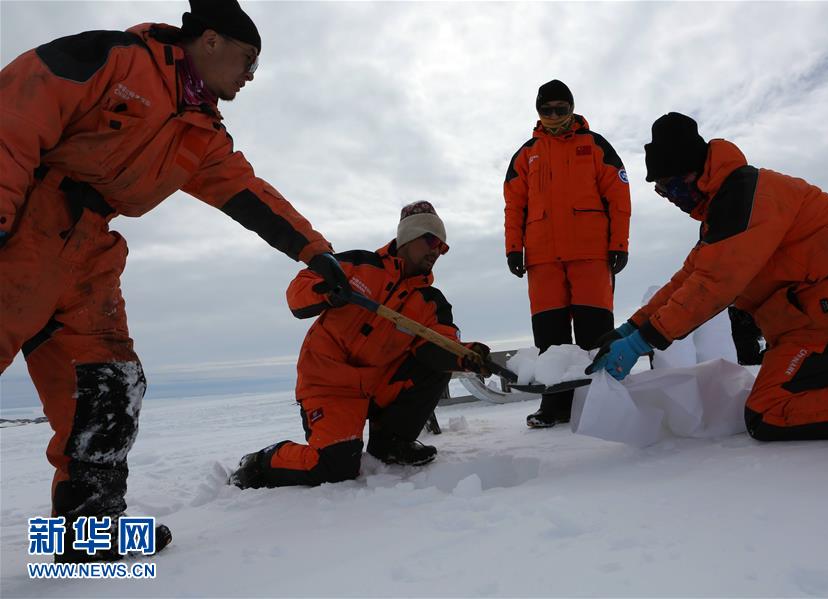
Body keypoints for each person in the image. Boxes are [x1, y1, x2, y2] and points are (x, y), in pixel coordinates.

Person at [0, 0, 350, 561]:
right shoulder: (115, 58)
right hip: (24, 224)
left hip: (90, 253)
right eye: (247, 58)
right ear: (209, 41)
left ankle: (85, 536)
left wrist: (317, 254)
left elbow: (249, 194)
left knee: (111, 383)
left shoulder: (202, 132)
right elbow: (16, 111)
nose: (251, 75)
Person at [587, 112, 828, 441]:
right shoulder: (727, 208)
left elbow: (711, 286)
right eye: (661, 192)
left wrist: (641, 342)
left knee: (769, 409)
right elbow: (688, 278)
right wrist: (630, 328)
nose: (671, 199)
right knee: (785, 397)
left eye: (670, 186)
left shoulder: (747, 199)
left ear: (691, 172)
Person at [229, 202, 491, 488]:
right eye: (431, 240)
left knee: (435, 365)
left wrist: (467, 355)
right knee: (335, 468)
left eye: (442, 247)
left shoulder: (432, 302)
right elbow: (297, 293)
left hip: (378, 386)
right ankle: (263, 461)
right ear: (408, 237)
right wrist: (326, 291)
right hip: (329, 383)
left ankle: (391, 444)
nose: (436, 251)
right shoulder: (358, 265)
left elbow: (440, 344)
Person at [504, 80, 631, 428]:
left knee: (595, 335)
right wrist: (513, 247)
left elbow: (619, 197)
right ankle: (556, 406)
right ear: (538, 112)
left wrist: (619, 243)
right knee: (550, 340)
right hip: (542, 259)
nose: (554, 116)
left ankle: (600, 403)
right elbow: (514, 205)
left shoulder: (595, 146)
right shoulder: (525, 153)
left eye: (562, 109)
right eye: (547, 110)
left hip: (591, 254)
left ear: (573, 109)